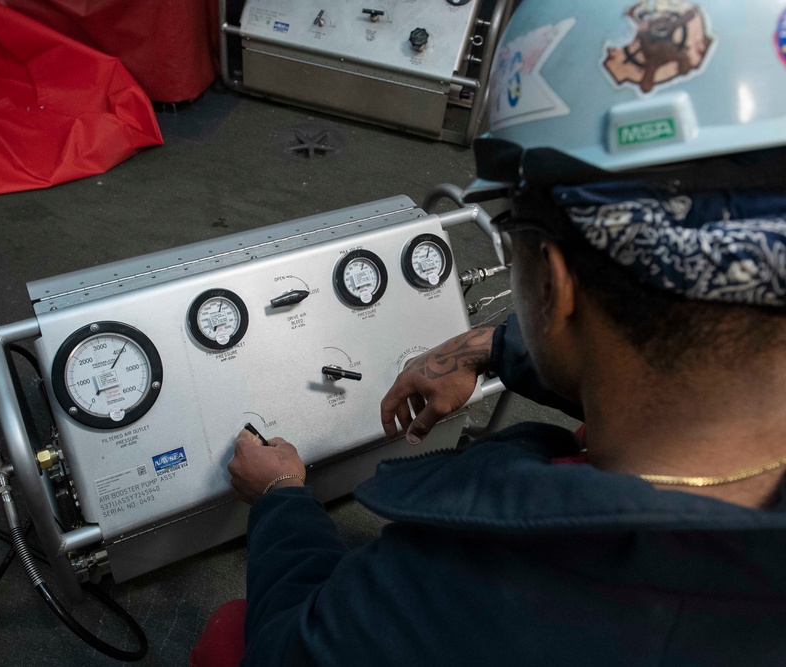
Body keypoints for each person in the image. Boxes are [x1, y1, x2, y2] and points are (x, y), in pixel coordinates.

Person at [215, 1, 786, 664]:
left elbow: (290, 648)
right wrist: (492, 347)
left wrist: (282, 497)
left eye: (514, 237)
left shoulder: (454, 587)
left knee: (227, 633)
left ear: (554, 281)